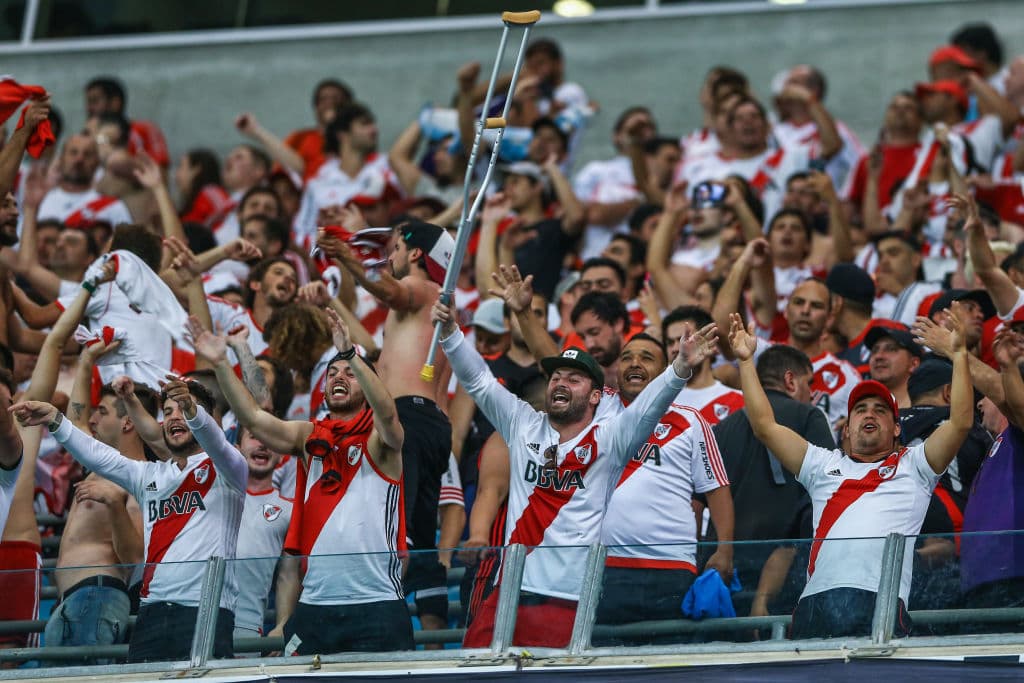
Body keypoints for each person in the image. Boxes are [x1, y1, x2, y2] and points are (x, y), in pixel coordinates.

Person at [432, 287, 717, 648]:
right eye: (556, 377)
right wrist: (450, 333)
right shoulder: (523, 424)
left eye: (573, 378)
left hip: (566, 598)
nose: (560, 383)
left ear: (596, 395)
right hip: (508, 589)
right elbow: (478, 381)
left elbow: (649, 408)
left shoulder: (611, 439)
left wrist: (679, 369)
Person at [726, 304, 972, 640]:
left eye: (880, 410)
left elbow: (960, 422)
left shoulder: (916, 466)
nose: (869, 414)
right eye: (860, 409)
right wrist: (744, 361)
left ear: (897, 429)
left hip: (879, 601)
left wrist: (958, 355)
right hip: (814, 603)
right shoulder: (821, 464)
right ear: (845, 428)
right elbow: (765, 426)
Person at [189, 309, 412, 654]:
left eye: (350, 374)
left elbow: (387, 413)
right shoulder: (310, 437)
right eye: (332, 372)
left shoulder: (380, 441)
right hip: (315, 606)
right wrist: (220, 364)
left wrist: (351, 353)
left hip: (377, 602)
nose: (339, 376)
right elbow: (254, 419)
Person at [12, 374, 247, 662]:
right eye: (169, 411)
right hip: (151, 611)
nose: (175, 417)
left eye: (184, 409)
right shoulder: (150, 474)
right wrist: (55, 420)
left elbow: (216, 442)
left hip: (206, 610)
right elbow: (99, 455)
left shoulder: (229, 468)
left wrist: (192, 410)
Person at [318, 219, 454, 632]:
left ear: (416, 254)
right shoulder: (432, 309)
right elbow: (379, 354)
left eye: (395, 247)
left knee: (402, 533)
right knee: (424, 542)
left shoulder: (425, 291)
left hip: (407, 419)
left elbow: (389, 290)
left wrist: (349, 258)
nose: (389, 256)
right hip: (432, 424)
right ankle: (432, 636)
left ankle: (380, 595)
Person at [596, 332, 734, 639]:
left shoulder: (691, 421)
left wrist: (725, 550)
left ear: (665, 371)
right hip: (604, 567)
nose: (634, 363)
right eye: (627, 357)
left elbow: (717, 488)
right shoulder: (598, 414)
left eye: (646, 358)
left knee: (669, 666)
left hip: (672, 568)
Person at [712, 345, 836, 620]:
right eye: (809, 382)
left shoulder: (721, 428)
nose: (812, 392)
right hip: (787, 568)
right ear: (791, 381)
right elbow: (829, 487)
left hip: (727, 568)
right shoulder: (809, 416)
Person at [233, 426, 294, 643]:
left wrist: (282, 625)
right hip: (197, 619)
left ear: (280, 454)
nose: (262, 444)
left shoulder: (290, 510)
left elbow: (289, 576)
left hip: (247, 625)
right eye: (253, 437)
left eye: (269, 437)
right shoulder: (216, 495)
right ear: (236, 448)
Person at [37, 133, 133, 228]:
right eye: (73, 152)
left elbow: (128, 243)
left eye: (87, 155)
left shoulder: (113, 207)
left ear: (97, 163)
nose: (79, 159)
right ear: (61, 159)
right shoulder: (39, 202)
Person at [84, 76, 169, 167]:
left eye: (95, 101)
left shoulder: (143, 129)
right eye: (88, 102)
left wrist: (98, 138)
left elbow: (160, 173)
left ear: (115, 102)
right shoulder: (86, 133)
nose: (89, 108)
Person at [864, 325, 924, 409]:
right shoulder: (861, 413)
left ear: (914, 364)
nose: (878, 356)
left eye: (891, 349)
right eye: (874, 351)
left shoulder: (927, 410)